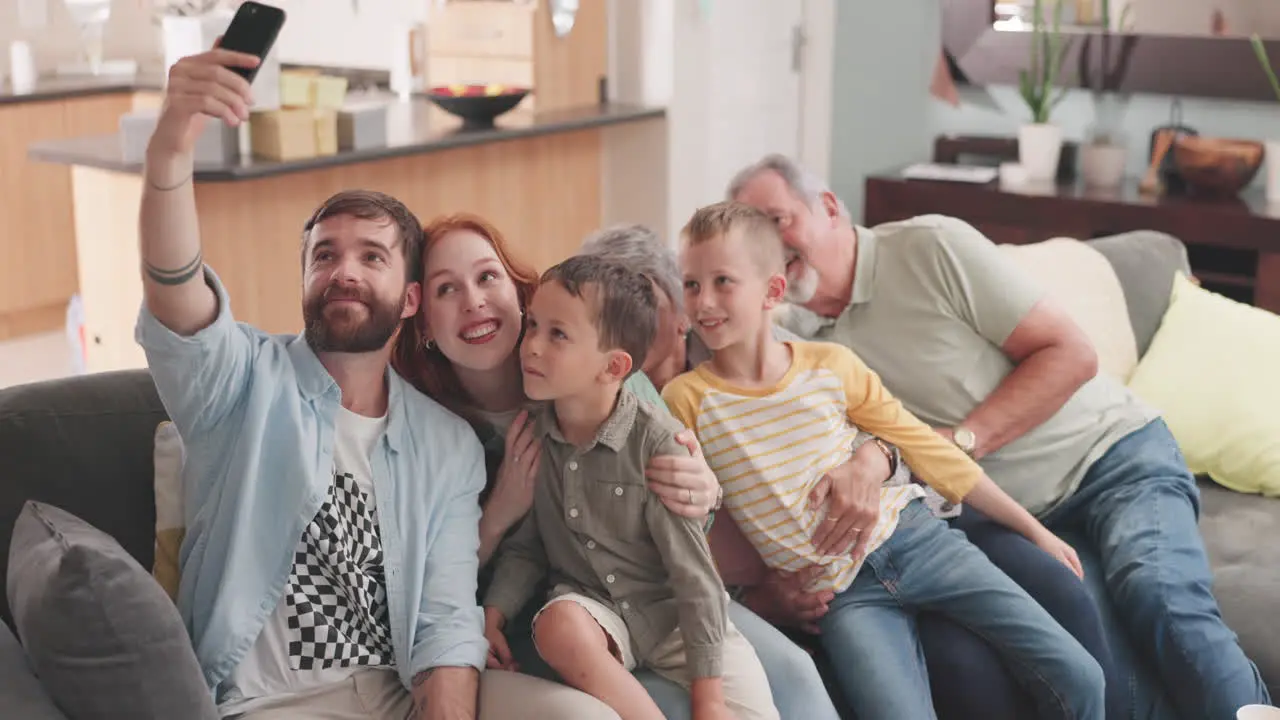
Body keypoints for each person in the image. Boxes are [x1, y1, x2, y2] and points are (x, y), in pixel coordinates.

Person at [729, 153, 1272, 720]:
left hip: (1114, 457)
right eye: (751, 234)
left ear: (830, 207)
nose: (770, 241)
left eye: (778, 218)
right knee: (1103, 661)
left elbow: (1072, 354)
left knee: (1160, 596)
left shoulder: (929, 247)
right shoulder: (789, 346)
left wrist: (959, 443)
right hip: (1015, 514)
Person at [136, 46, 591, 720]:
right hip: (264, 703)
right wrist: (170, 154)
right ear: (303, 283)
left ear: (409, 302)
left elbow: (444, 623)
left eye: (371, 256)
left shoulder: (446, 444)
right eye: (325, 255)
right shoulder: (237, 385)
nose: (343, 270)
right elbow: (175, 290)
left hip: (396, 692)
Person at [579, 223, 1114, 720]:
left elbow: (923, 445)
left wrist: (1032, 529)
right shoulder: (669, 404)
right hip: (838, 593)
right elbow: (668, 532)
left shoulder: (810, 357)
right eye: (696, 285)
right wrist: (761, 598)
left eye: (717, 283)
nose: (704, 301)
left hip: (914, 531)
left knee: (1070, 648)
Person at [392, 214, 847, 719]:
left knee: (794, 672)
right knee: (672, 702)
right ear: (422, 317)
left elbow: (682, 521)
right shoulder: (424, 428)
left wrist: (704, 488)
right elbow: (417, 584)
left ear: (518, 292)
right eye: (446, 289)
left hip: (654, 596)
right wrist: (497, 517)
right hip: (552, 617)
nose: (474, 300)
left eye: (486, 277)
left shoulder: (601, 374)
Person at [482, 255, 780, 720]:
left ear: (613, 366)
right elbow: (529, 546)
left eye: (557, 334)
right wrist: (495, 613)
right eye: (533, 325)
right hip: (596, 613)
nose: (531, 346)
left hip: (675, 619)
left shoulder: (657, 445)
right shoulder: (535, 434)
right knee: (558, 623)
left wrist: (710, 699)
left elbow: (695, 579)